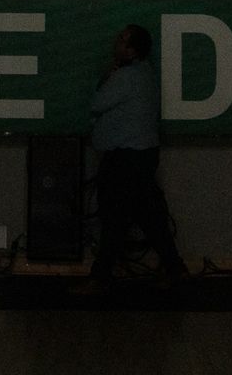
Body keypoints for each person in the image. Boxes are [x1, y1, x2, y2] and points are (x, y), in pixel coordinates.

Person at [81, 24, 187, 291]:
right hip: (141, 157)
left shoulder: (125, 77)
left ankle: (100, 276)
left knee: (115, 217)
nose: (116, 43)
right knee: (147, 216)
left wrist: (106, 77)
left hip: (126, 158)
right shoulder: (146, 75)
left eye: (121, 40)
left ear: (131, 50)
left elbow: (96, 103)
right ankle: (175, 269)